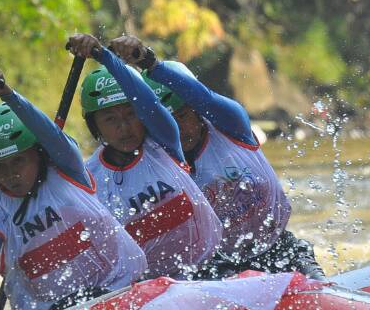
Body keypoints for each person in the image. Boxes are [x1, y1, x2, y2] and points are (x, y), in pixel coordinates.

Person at [104, 34, 325, 279]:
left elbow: (204, 97)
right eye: (170, 119)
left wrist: (149, 63)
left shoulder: (231, 124)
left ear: (198, 111)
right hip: (217, 267)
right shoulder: (160, 155)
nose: (179, 129)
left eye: (184, 115)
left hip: (279, 249)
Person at [0, 65, 147, 310]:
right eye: (0, 167)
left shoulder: (67, 167)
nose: (10, 175)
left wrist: (7, 94)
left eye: (18, 162)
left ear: (38, 154)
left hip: (118, 290)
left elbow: (49, 133)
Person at [67, 33, 223, 279]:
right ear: (94, 126)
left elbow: (147, 101)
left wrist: (104, 56)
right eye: (110, 119)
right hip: (144, 289)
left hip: (209, 269)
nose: (124, 127)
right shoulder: (90, 178)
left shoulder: (165, 140)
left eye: (130, 115)